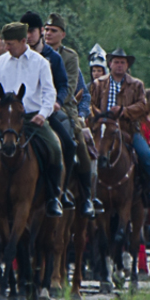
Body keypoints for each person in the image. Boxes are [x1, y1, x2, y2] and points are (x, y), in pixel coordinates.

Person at [0, 22, 64, 218]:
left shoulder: (40, 62)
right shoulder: (1, 62)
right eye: (6, 43)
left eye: (10, 44)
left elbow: (49, 91)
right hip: (4, 117)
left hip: (31, 116)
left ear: (22, 41)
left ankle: (53, 197)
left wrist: (43, 114)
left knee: (55, 149)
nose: (7, 47)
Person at [23, 12, 79, 212]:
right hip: (17, 112)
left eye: (32, 31)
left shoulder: (54, 58)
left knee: (70, 145)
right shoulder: (13, 56)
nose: (28, 36)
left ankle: (61, 192)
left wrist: (56, 102)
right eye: (24, 32)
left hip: (47, 110)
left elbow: (64, 85)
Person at [89, 48, 150, 208]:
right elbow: (90, 103)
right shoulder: (98, 84)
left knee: (146, 156)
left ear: (127, 65)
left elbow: (142, 105)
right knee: (83, 154)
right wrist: (99, 116)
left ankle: (148, 192)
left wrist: (124, 111)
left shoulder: (136, 84)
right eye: (116, 62)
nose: (119, 65)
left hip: (128, 129)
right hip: (102, 130)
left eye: (122, 62)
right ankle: (83, 193)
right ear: (110, 64)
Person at [44, 13, 96, 217]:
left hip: (63, 106)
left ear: (62, 34)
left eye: (53, 30)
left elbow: (71, 85)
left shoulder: (69, 56)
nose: (49, 33)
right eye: (46, 30)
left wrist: (53, 103)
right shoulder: (34, 52)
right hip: (36, 107)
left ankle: (86, 195)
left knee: (79, 140)